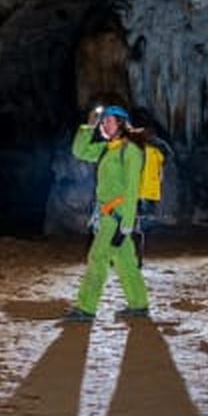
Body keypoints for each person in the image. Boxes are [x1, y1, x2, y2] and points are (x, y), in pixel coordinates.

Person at [64, 105, 150, 322]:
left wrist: (127, 222)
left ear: (121, 123)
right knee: (125, 261)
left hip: (118, 215)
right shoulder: (106, 149)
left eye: (108, 121)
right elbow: (79, 151)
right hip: (105, 214)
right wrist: (88, 126)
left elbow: (132, 188)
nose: (104, 124)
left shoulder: (130, 151)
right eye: (103, 121)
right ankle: (139, 304)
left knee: (97, 257)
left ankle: (86, 308)